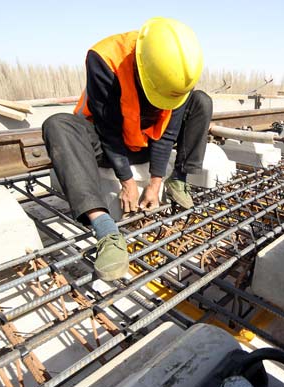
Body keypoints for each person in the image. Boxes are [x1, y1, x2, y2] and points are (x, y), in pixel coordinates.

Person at [42, 17, 212, 281]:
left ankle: (179, 180)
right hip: (107, 144)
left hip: (146, 142)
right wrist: (128, 182)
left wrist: (156, 183)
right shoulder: (105, 58)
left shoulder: (179, 74)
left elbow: (167, 132)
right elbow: (108, 129)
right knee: (57, 124)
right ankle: (106, 230)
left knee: (202, 101)